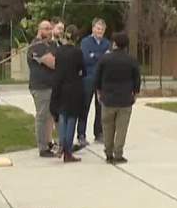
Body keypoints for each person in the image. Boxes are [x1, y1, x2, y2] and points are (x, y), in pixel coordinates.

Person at [96, 31, 140, 164]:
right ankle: (118, 153)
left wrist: (99, 92)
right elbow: (136, 79)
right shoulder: (131, 60)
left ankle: (108, 152)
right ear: (126, 45)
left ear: (114, 43)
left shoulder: (105, 59)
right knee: (122, 128)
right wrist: (135, 93)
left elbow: (98, 78)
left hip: (108, 98)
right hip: (125, 99)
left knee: (107, 126)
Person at [50, 25, 86, 163]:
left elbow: (57, 69)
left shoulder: (59, 51)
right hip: (74, 88)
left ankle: (61, 145)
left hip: (61, 87)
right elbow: (82, 69)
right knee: (72, 118)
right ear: (76, 38)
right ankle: (67, 150)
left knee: (63, 117)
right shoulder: (77, 52)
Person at [27, 20, 58, 158]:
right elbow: (52, 63)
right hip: (40, 87)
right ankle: (43, 147)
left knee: (50, 116)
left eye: (51, 28)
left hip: (51, 85)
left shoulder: (52, 44)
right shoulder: (36, 46)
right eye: (46, 28)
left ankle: (48, 141)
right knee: (42, 116)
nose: (50, 31)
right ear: (40, 30)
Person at [78, 18, 111, 147]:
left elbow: (108, 59)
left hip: (102, 80)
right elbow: (86, 58)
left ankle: (99, 133)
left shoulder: (107, 43)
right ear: (93, 29)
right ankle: (81, 134)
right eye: (98, 28)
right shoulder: (85, 42)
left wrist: (95, 55)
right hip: (88, 79)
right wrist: (101, 56)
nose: (99, 31)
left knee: (101, 108)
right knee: (84, 107)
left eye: (102, 29)